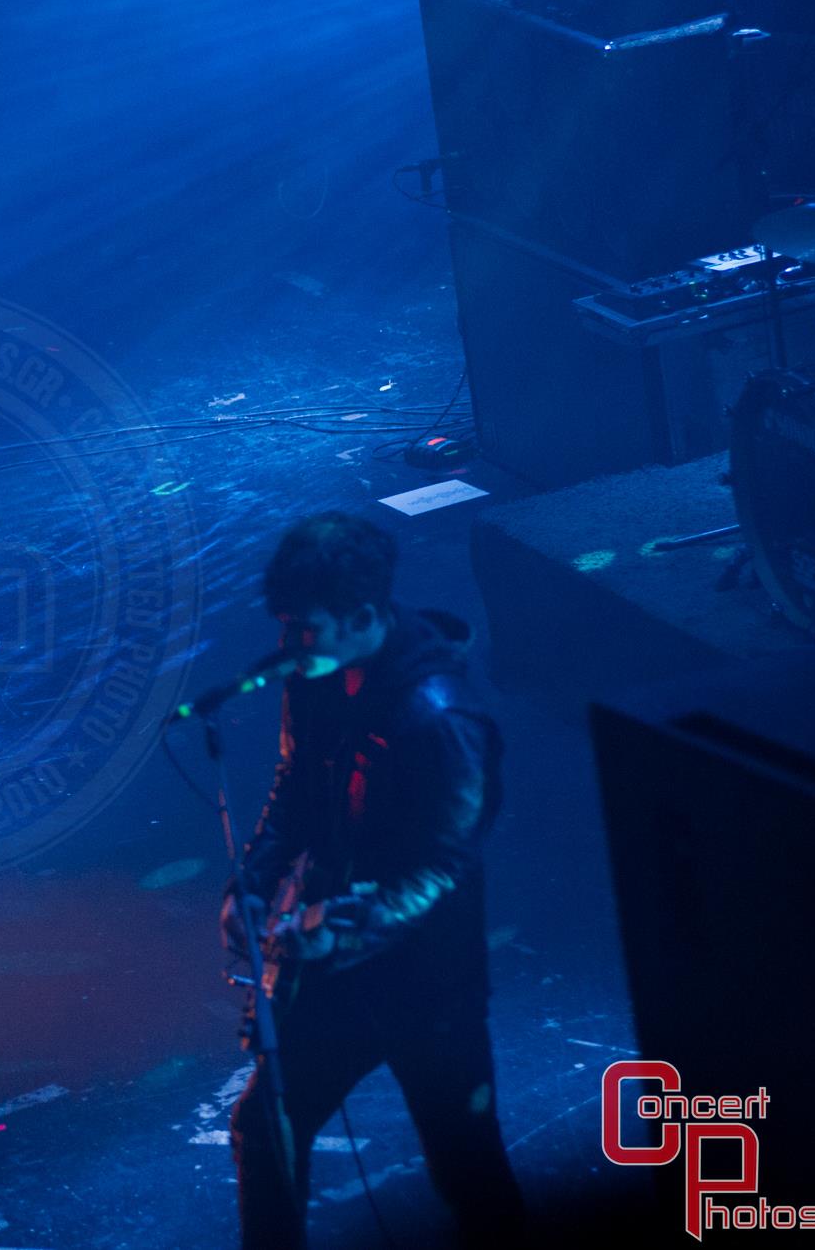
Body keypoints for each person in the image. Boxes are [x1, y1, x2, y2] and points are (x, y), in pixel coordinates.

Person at [223, 512, 524, 1248]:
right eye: (288, 627)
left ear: (362, 617)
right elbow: (295, 786)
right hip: (336, 968)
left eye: (307, 629)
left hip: (428, 981)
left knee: (467, 1170)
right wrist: (252, 882)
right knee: (266, 1128)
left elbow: (444, 867)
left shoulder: (442, 718)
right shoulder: (314, 673)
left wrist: (345, 930)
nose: (292, 646)